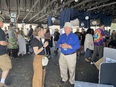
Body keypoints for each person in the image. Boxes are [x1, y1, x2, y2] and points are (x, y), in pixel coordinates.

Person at [0, 17, 12, 87]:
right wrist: (8, 43)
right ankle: (1, 83)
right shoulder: (0, 31)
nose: (3, 23)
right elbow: (2, 42)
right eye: (2, 22)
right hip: (1, 53)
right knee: (6, 67)